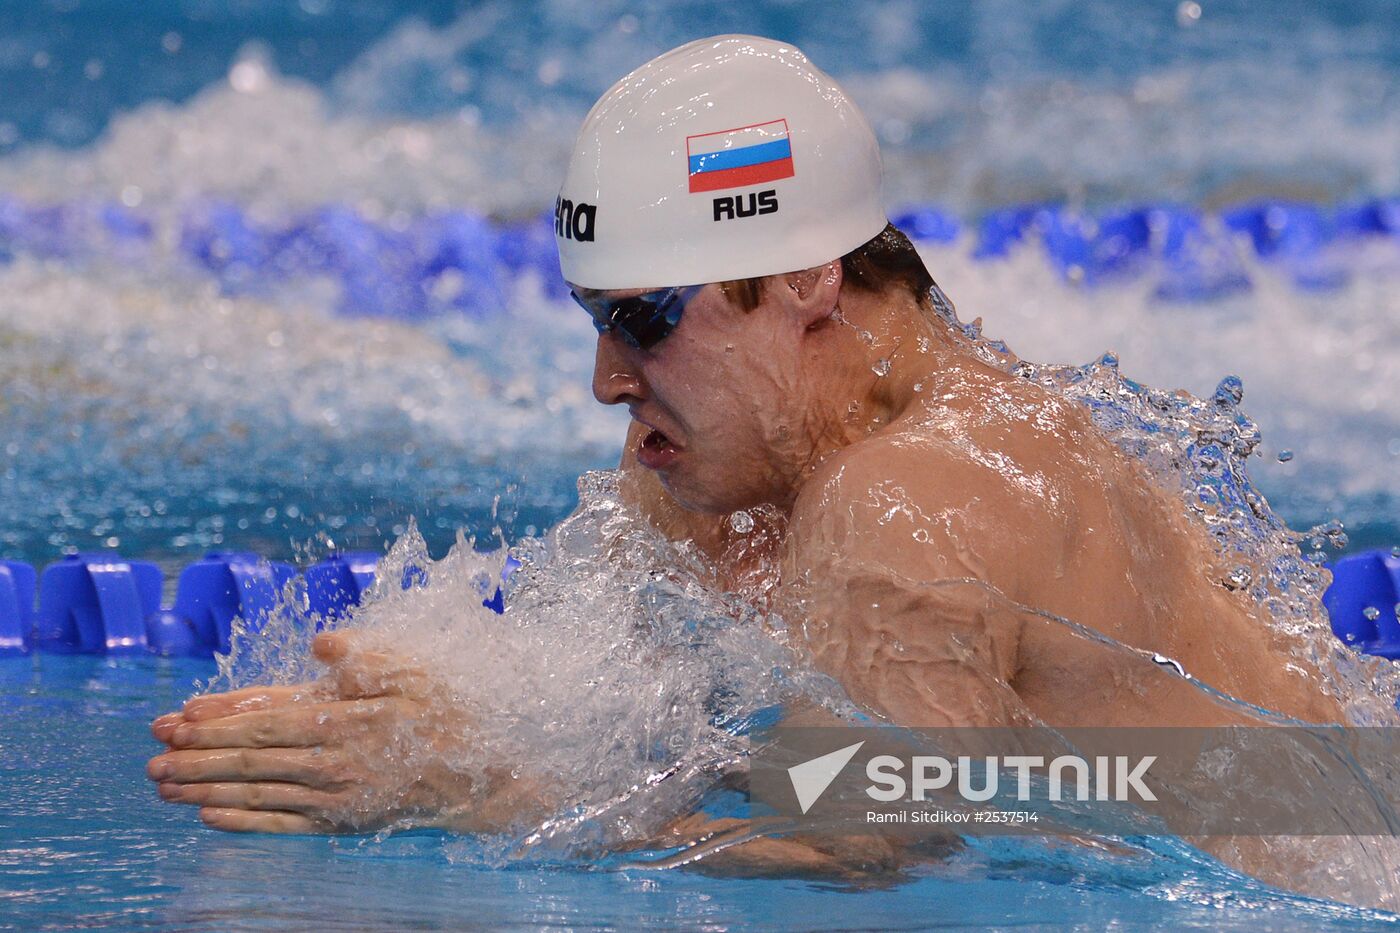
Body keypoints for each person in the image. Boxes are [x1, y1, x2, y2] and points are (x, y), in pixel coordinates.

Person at [147, 35, 1342, 871]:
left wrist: (474, 789)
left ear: (809, 278)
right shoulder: (730, 463)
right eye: (597, 318)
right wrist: (410, 721)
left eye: (646, 318)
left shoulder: (907, 503)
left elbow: (889, 854)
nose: (608, 381)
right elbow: (702, 743)